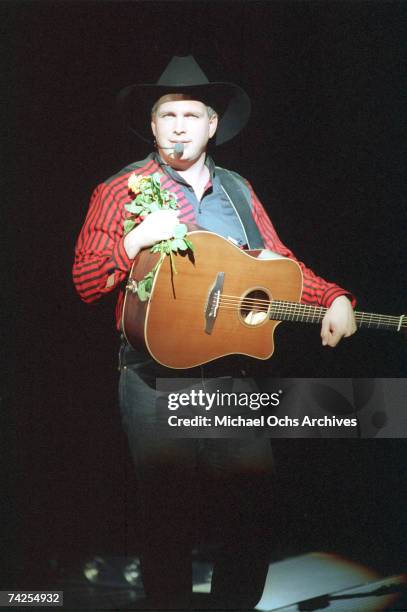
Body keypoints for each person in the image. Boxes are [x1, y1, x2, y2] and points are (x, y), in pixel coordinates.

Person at [73, 55, 356, 610]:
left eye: (192, 114)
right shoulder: (122, 189)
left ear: (212, 125)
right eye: (168, 114)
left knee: (252, 514)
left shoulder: (236, 191)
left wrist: (334, 297)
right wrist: (134, 241)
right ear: (153, 127)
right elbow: (85, 281)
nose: (180, 125)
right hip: (155, 384)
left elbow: (279, 265)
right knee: (168, 524)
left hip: (232, 378)